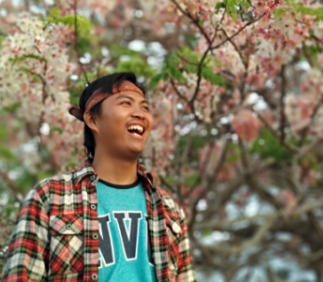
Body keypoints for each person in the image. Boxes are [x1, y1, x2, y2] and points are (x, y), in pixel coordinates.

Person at [1, 72, 196, 281]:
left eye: (145, 107)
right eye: (126, 103)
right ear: (92, 120)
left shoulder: (169, 210)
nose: (140, 113)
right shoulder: (50, 197)